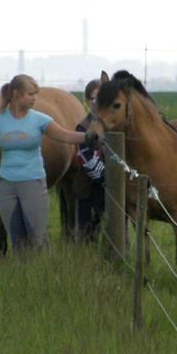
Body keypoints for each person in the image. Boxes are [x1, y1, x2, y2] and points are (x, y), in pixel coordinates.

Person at [0, 74, 96, 251]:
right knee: (17, 241)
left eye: (35, 94)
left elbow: (65, 135)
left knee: (36, 239)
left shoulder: (39, 119)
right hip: (6, 186)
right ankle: (21, 274)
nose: (35, 98)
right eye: (31, 94)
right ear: (16, 94)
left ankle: (38, 271)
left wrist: (88, 137)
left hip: (33, 183)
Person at [73, 79, 105, 242]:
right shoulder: (83, 126)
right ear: (87, 101)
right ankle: (87, 260)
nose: (99, 102)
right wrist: (110, 177)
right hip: (89, 187)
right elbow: (88, 160)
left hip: (111, 189)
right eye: (94, 98)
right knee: (88, 233)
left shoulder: (114, 124)